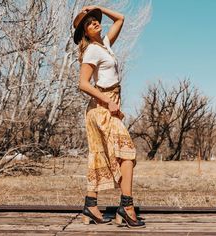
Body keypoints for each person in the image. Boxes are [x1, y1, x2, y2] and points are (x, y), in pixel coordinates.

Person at [73, 5, 145, 228]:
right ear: (85, 32)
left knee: (100, 154)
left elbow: (121, 19)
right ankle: (126, 206)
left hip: (105, 106)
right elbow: (83, 83)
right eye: (89, 22)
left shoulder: (103, 45)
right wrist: (109, 102)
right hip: (102, 106)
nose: (94, 22)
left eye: (95, 19)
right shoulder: (92, 51)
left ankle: (90, 205)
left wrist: (97, 7)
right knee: (127, 154)